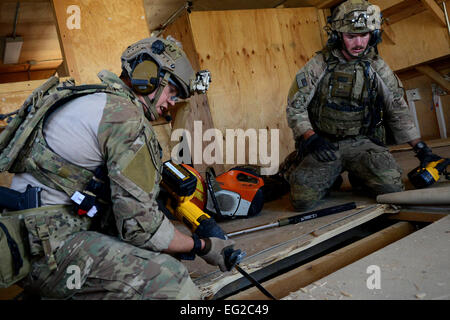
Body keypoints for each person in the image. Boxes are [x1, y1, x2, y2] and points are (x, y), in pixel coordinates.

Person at [6, 36, 234, 299]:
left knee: (154, 254)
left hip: (29, 243)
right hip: (49, 252)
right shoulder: (125, 118)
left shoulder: (94, 100)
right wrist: (205, 246)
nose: (173, 103)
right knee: (171, 281)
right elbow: (141, 228)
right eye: (172, 92)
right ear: (148, 77)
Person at [281, 0, 443, 211]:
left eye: (364, 35)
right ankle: (296, 165)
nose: (359, 42)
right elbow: (296, 106)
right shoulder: (318, 65)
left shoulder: (376, 66)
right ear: (338, 36)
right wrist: (310, 138)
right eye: (351, 36)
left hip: (363, 143)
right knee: (302, 201)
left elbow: (397, 109)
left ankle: (360, 173)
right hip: (325, 144)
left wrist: (421, 149)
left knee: (392, 189)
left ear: (373, 35)